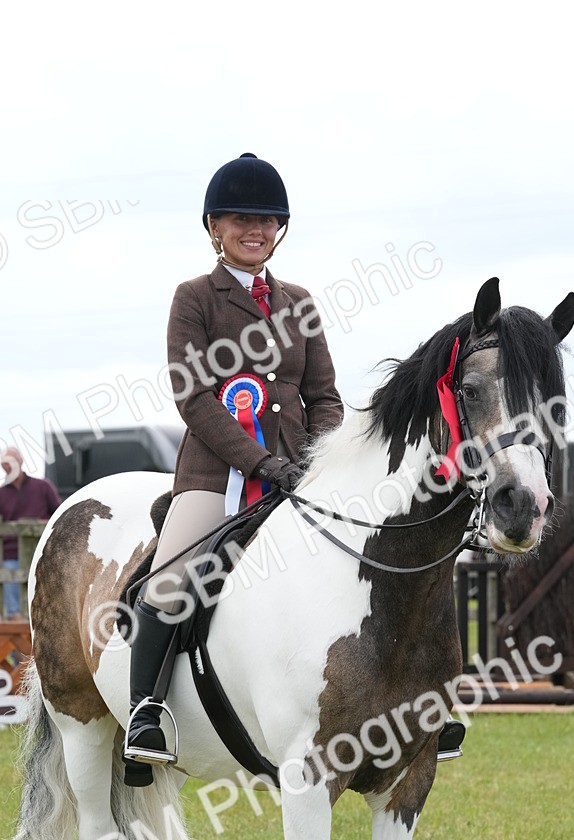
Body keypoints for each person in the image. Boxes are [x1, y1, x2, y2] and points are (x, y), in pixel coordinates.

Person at [123, 152, 464, 782]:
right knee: (168, 582)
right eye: (240, 219)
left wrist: (319, 460)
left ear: (279, 228)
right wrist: (260, 461)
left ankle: (420, 706)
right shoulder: (194, 298)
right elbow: (193, 397)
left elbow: (325, 396)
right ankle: (146, 713)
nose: (255, 230)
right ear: (214, 226)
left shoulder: (299, 302)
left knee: (379, 563)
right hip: (217, 477)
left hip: (300, 478)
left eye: (267, 220)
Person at [0, 447, 61, 618]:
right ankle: (15, 618)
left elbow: (59, 514)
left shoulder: (43, 487)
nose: (10, 465)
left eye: (13, 461)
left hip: (43, 551)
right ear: (2, 466)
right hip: (10, 554)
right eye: (6, 462)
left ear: (21, 461)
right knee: (9, 576)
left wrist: (42, 524)